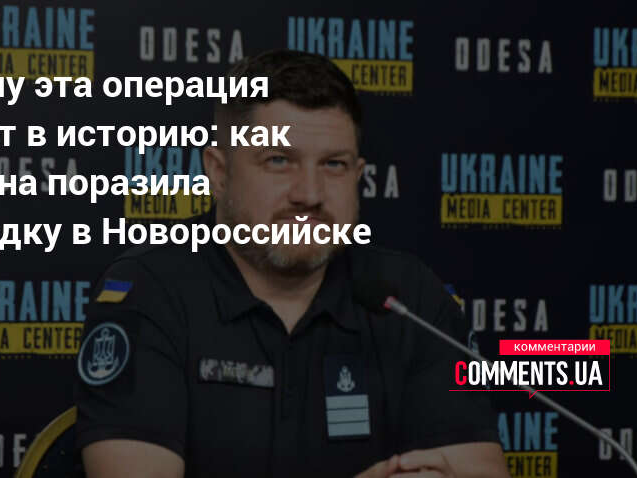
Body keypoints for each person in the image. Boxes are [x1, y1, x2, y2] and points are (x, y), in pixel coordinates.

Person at [74, 49, 509, 478]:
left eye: (333, 165)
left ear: (358, 176)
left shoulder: (408, 298)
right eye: (279, 161)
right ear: (219, 172)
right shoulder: (150, 291)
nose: (310, 194)